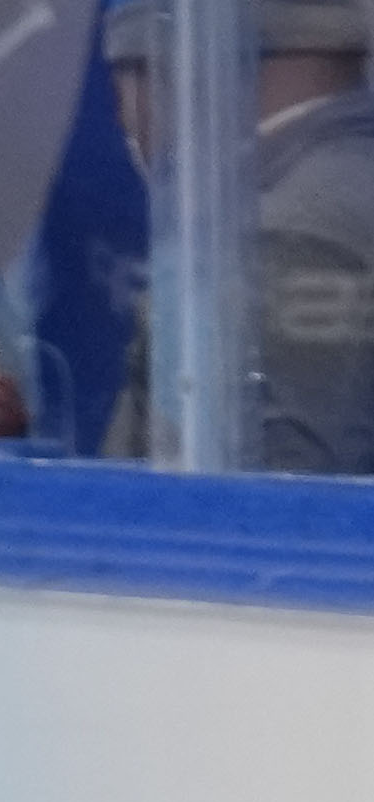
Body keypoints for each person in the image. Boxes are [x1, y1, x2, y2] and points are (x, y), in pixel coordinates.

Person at [101, 0, 374, 471]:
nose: (126, 119)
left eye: (122, 85)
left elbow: (268, 516)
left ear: (181, 66)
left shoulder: (286, 236)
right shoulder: (339, 190)